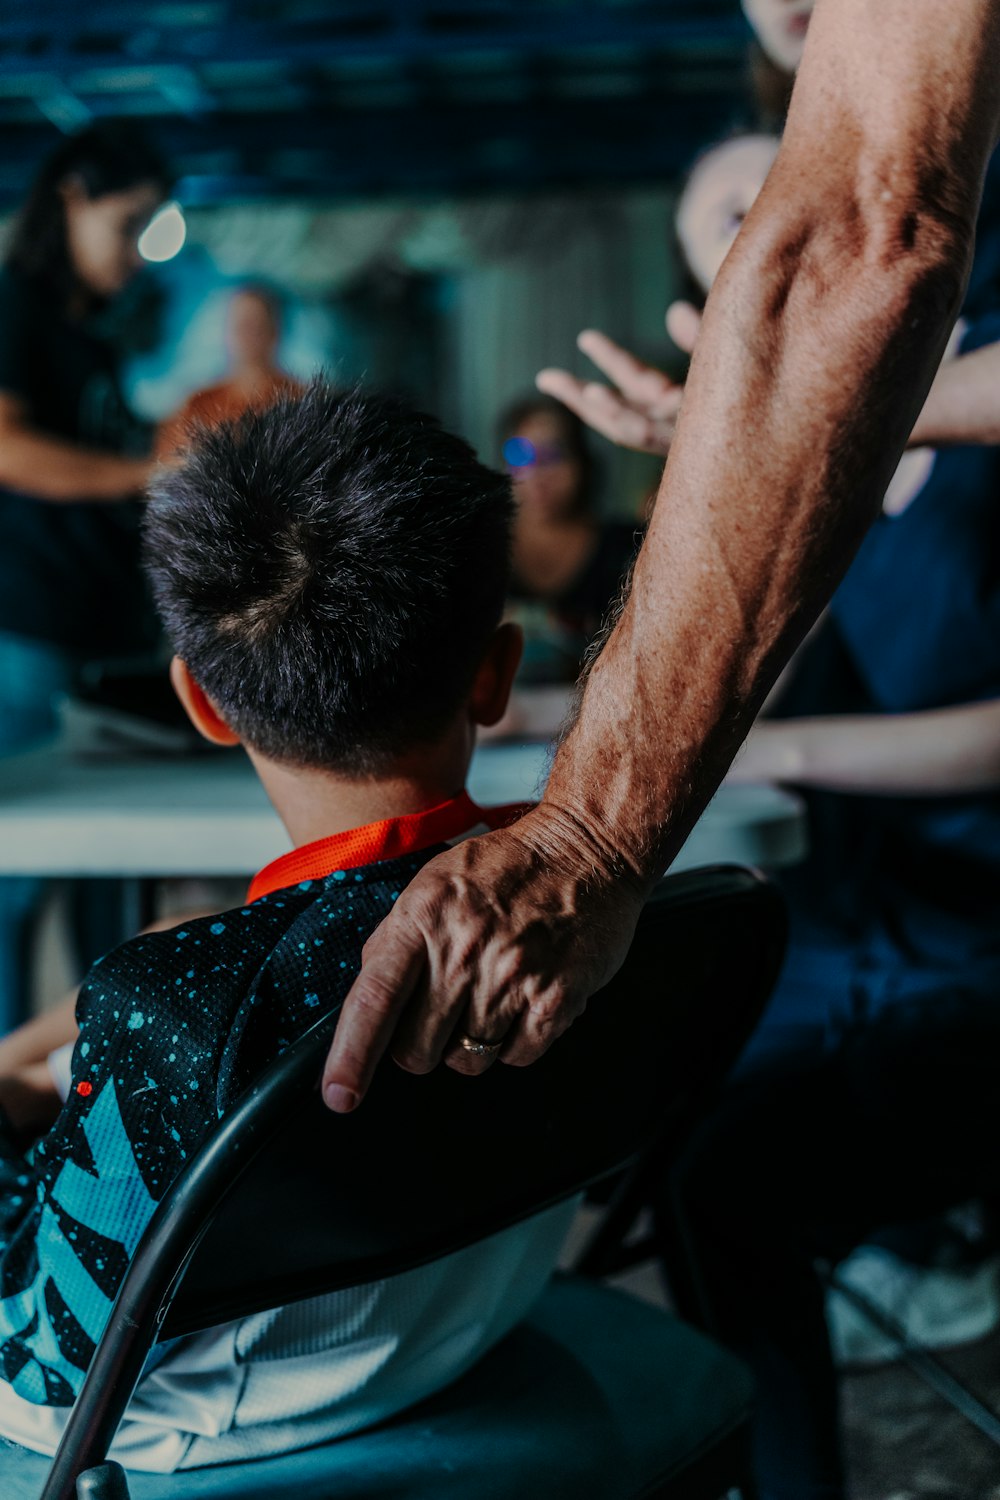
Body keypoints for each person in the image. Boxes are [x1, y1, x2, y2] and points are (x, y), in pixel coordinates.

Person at [320, 0, 1000, 1115]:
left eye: (761, 214)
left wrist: (588, 834)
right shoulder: (843, 486)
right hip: (888, 883)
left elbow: (853, 248)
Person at [0, 383, 576, 1477]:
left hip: (206, 1433)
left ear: (201, 702)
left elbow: (49, 1374)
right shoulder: (575, 909)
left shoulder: (180, 1004)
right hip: (447, 1336)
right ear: (493, 676)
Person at [0, 123, 172, 1036]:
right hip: (32, 635)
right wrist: (152, 471)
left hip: (107, 640)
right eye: (130, 223)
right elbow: (6, 447)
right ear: (69, 196)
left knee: (115, 888)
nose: (139, 253)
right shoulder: (13, 306)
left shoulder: (90, 340)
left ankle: (107, 1096)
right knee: (15, 887)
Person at [156, 283, 303, 458]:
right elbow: (168, 466)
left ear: (275, 330)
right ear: (227, 333)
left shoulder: (302, 401)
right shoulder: (199, 405)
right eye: (241, 325)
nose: (248, 334)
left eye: (257, 324)